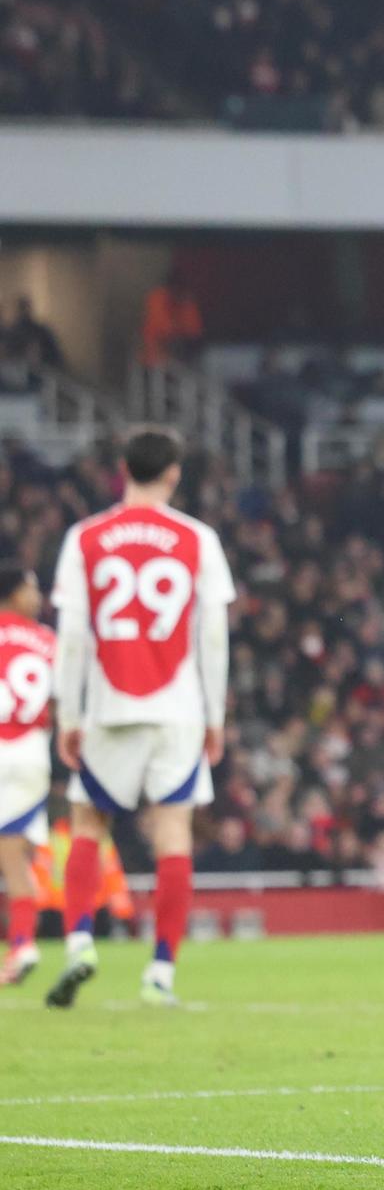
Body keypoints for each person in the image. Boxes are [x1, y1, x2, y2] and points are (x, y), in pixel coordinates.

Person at [45, 426, 235, 1008]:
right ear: (174, 474)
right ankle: (161, 972)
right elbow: (212, 637)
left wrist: (68, 714)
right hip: (177, 709)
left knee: (87, 824)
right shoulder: (198, 538)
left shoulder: (85, 538)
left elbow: (73, 635)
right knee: (173, 834)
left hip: (107, 706)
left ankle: (79, 942)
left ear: (122, 470)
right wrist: (214, 717)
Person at [0, 564, 54, 986]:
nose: (38, 597)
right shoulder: (47, 642)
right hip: (31, 754)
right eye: (32, 588)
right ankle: (21, 944)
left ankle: (21, 947)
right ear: (14, 593)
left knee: (11, 857)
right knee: (16, 857)